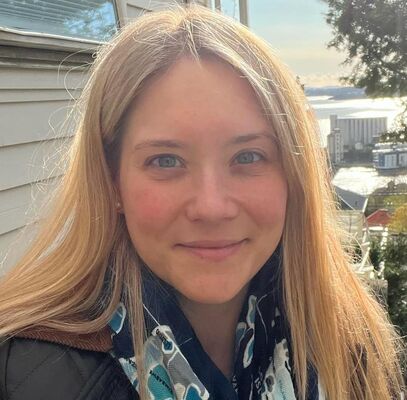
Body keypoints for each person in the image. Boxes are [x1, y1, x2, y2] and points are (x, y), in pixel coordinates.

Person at [0, 5, 404, 400]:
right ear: (112, 182)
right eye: (166, 161)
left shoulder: (350, 341)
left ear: (294, 176)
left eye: (248, 156)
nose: (212, 207)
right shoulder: (21, 374)